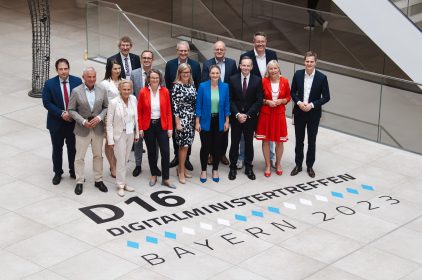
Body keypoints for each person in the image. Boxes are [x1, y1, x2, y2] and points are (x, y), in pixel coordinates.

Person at [240, 31, 279, 169]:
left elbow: (276, 75)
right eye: (258, 41)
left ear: (266, 42)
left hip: (269, 101)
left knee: (271, 130)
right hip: (251, 101)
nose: (260, 44)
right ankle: (242, 157)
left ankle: (272, 158)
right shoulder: (246, 56)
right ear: (253, 42)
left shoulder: (272, 55)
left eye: (262, 41)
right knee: (246, 131)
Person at [68, 67, 109, 195]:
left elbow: (106, 107)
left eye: (94, 77)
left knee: (98, 156)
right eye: (89, 77)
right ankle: (79, 181)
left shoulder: (102, 90)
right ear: (83, 77)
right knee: (79, 157)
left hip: (97, 129)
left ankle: (98, 180)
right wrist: (83, 121)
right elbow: (71, 110)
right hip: (82, 129)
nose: (92, 79)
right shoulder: (76, 91)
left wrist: (99, 117)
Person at [42, 58, 82, 185]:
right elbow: (46, 102)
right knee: (57, 149)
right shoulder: (49, 84)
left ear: (69, 69)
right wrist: (61, 113)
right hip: (56, 123)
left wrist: (72, 114)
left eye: (65, 69)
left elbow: (81, 100)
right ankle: (58, 173)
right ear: (57, 70)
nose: (63, 71)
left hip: (72, 122)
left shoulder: (77, 81)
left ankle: (73, 171)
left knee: (72, 148)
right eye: (61, 69)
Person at [290, 51, 330, 178]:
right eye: (307, 61)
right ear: (304, 61)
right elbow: (292, 92)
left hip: (313, 114)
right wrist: (299, 103)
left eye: (311, 61)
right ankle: (298, 165)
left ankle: (310, 166)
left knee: (311, 141)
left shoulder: (322, 77)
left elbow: (327, 97)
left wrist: (312, 105)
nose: (309, 63)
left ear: (315, 62)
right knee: (299, 141)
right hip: (299, 112)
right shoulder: (297, 74)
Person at [164, 41, 201, 171]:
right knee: (176, 134)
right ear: (177, 51)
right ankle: (176, 156)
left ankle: (187, 159)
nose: (183, 53)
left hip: (190, 111)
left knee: (189, 137)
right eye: (181, 51)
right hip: (176, 109)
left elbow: (198, 85)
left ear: (188, 51)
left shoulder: (195, 65)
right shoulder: (170, 64)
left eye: (185, 51)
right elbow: (168, 85)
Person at [138, 69, 176, 189]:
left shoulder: (165, 91)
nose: (154, 80)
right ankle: (153, 174)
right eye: (152, 78)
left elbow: (169, 111)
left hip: (162, 125)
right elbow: (139, 111)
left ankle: (166, 178)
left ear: (160, 79)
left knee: (165, 152)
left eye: (157, 78)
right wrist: (140, 128)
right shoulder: (143, 92)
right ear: (148, 79)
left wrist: (170, 127)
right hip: (148, 126)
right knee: (152, 152)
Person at [201, 40, 237, 166]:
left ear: (225, 50)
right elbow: (204, 81)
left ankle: (221, 154)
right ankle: (210, 154)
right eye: (217, 49)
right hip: (211, 101)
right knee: (210, 131)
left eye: (221, 49)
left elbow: (234, 82)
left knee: (224, 132)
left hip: (226, 101)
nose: (219, 51)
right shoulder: (207, 64)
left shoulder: (232, 63)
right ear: (214, 50)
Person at [228, 56, 263, 181]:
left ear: (252, 67)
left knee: (249, 143)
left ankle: (249, 167)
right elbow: (230, 99)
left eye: (248, 66)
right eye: (244, 65)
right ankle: (232, 167)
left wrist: (247, 114)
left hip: (250, 118)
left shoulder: (257, 80)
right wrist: (238, 114)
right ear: (240, 65)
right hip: (236, 117)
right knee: (234, 142)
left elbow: (259, 101)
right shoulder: (232, 79)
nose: (246, 68)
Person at [256, 60, 291, 177]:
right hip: (266, 114)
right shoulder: (263, 81)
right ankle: (267, 164)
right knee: (265, 140)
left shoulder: (285, 81)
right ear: (268, 70)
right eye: (271, 68)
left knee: (279, 141)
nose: (273, 71)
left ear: (279, 69)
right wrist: (266, 102)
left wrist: (282, 101)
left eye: (275, 68)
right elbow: (258, 98)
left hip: (279, 114)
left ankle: (278, 163)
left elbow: (288, 96)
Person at [196, 65, 230, 183]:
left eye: (217, 73)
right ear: (209, 74)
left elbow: (226, 105)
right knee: (205, 147)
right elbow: (198, 105)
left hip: (219, 121)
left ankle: (215, 169)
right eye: (213, 73)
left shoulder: (225, 87)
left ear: (220, 74)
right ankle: (204, 170)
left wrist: (227, 121)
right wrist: (197, 122)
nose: (215, 75)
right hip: (205, 121)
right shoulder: (202, 86)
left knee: (217, 147)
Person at [106, 80, 139, 196]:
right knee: (120, 160)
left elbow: (136, 118)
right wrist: (110, 140)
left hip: (130, 133)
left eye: (128, 89)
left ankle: (123, 183)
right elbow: (109, 123)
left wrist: (137, 134)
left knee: (125, 159)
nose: (126, 91)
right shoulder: (114, 102)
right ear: (120, 90)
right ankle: (120, 185)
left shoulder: (133, 99)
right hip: (119, 134)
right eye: (124, 89)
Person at [130, 50, 160, 177]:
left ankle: (154, 166)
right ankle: (138, 165)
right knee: (138, 141)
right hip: (139, 114)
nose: (146, 60)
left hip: (154, 115)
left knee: (156, 143)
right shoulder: (134, 73)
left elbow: (161, 92)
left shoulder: (158, 73)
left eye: (149, 58)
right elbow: (131, 93)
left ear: (152, 60)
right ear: (141, 59)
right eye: (144, 58)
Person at [172, 63, 197, 184]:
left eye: (188, 72)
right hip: (182, 120)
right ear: (180, 73)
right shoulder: (177, 86)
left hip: (191, 119)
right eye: (184, 72)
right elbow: (175, 106)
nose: (186, 74)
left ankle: (183, 168)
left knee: (187, 146)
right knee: (183, 147)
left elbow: (194, 103)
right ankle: (180, 171)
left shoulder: (192, 85)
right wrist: (178, 122)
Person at [101, 60, 122, 178]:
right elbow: (102, 102)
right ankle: (112, 166)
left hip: (121, 118)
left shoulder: (124, 81)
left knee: (119, 142)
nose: (117, 71)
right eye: (115, 69)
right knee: (110, 142)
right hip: (109, 117)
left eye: (119, 68)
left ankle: (117, 164)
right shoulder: (104, 84)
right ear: (110, 69)